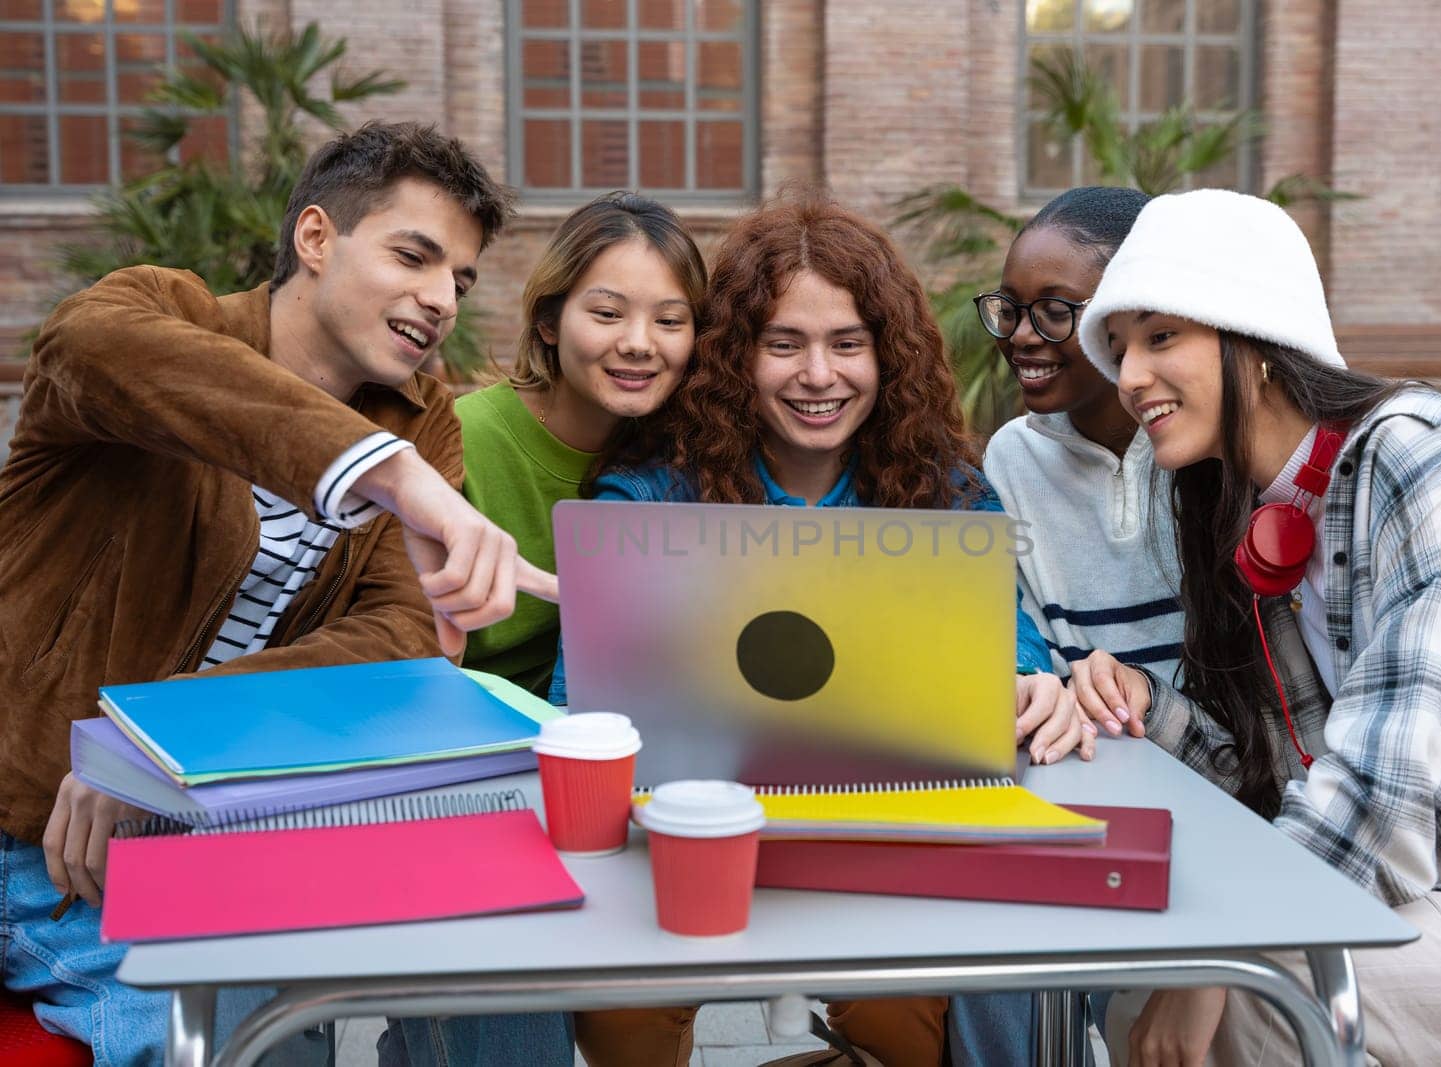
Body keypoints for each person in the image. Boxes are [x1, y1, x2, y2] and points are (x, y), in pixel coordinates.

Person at [0, 121, 553, 1065]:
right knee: (245, 1017)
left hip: (242, 809)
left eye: (458, 280)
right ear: (315, 238)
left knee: (509, 967)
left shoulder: (423, 416)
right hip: (42, 840)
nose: (438, 299)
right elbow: (97, 346)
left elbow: (403, 630)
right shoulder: (156, 317)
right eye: (412, 255)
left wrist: (147, 741)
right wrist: (391, 475)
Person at [546, 191, 1084, 1067]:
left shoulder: (943, 492)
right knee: (623, 1009)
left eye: (848, 344)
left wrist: (1033, 684)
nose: (818, 375)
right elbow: (584, 702)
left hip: (879, 846)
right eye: (783, 343)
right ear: (735, 356)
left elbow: (1007, 651)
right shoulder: (650, 497)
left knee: (916, 1010)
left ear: (887, 355)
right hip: (684, 841)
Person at [1071, 188, 1441, 1065]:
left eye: (1161, 336)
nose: (1127, 377)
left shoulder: (1419, 456)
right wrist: (1143, 707)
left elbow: (1381, 791)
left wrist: (1222, 958)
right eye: (1121, 347)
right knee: (1145, 988)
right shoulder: (1256, 512)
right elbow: (1274, 780)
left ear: (1259, 337)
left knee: (1261, 999)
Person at [379, 191, 706, 1067]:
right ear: (552, 318)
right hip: (458, 780)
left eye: (670, 320)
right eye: (608, 311)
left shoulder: (681, 464)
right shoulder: (459, 441)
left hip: (609, 783)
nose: (639, 342)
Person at [949, 186, 1186, 1066]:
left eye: (1055, 312)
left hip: (1217, 779)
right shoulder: (1012, 454)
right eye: (1011, 308)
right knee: (998, 947)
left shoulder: (1198, 447)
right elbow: (1031, 642)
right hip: (1092, 771)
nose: (1018, 335)